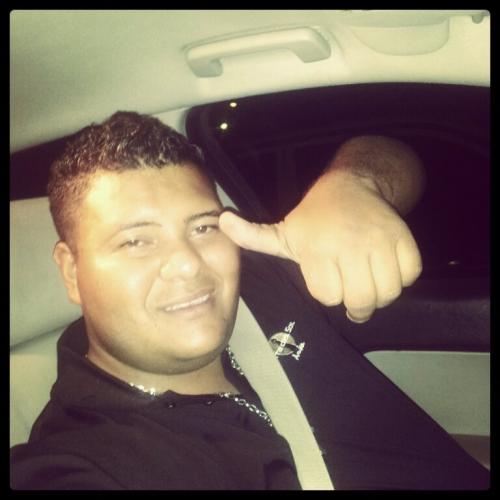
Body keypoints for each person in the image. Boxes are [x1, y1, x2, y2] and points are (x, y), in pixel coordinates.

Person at [10, 111, 489, 490]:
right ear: (71, 271)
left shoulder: (258, 284)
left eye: (203, 227)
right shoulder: (87, 456)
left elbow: (393, 152)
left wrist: (355, 185)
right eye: (136, 241)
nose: (188, 264)